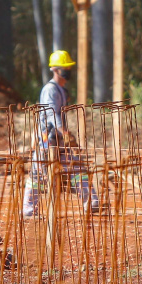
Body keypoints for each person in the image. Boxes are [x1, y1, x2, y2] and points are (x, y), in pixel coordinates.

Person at [22, 50, 99, 217]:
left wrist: (65, 135)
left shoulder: (61, 90)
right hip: (47, 138)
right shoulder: (50, 90)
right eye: (65, 67)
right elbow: (50, 114)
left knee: (77, 167)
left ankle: (91, 201)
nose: (68, 71)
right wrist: (65, 133)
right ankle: (28, 209)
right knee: (38, 173)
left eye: (68, 67)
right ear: (55, 69)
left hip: (57, 138)